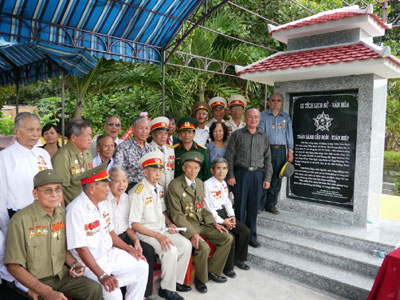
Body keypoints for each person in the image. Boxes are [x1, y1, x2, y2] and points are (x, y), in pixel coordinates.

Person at [5, 169, 102, 300]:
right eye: (48, 190)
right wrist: (45, 291)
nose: (54, 195)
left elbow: (61, 247)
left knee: (93, 289)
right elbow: (13, 266)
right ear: (35, 194)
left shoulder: (61, 213)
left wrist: (74, 264)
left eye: (58, 189)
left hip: (61, 276)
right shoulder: (20, 220)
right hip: (35, 281)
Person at [66, 164, 148, 300]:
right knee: (114, 294)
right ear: (92, 188)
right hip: (91, 264)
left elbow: (111, 233)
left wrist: (130, 250)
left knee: (142, 266)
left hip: (109, 255)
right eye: (105, 186)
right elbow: (81, 249)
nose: (108, 189)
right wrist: (102, 275)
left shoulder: (101, 204)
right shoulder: (76, 210)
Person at [130, 152, 192, 300]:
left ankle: (175, 282)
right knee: (170, 249)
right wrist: (158, 235)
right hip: (146, 232)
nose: (158, 173)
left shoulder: (159, 188)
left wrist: (170, 223)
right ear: (145, 172)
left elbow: (162, 211)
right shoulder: (138, 192)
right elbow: (134, 224)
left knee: (186, 244)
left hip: (161, 229)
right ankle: (166, 289)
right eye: (154, 170)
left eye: (160, 170)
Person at [168, 151, 232, 294]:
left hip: (202, 223)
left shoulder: (199, 183)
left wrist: (214, 222)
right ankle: (200, 280)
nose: (193, 171)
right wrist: (192, 234)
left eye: (196, 168)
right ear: (184, 168)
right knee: (203, 248)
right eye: (190, 167)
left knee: (226, 238)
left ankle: (213, 271)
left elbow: (202, 207)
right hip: (186, 226)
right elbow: (177, 215)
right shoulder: (175, 186)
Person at [104, 165, 156, 299]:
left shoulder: (126, 198)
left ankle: (143, 294)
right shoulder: (103, 200)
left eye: (124, 181)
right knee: (133, 256)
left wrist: (136, 241)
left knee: (148, 250)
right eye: (117, 181)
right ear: (109, 182)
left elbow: (128, 226)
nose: (122, 185)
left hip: (124, 235)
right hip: (111, 240)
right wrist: (129, 249)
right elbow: (110, 233)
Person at [225, 107, 273, 248]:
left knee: (253, 207)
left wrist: (267, 178)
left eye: (256, 117)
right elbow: (229, 156)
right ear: (246, 118)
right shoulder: (237, 135)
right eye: (250, 117)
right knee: (239, 206)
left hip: (257, 175)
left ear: (259, 119)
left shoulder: (263, 136)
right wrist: (231, 175)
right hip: (241, 174)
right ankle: (239, 236)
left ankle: (252, 236)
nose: (253, 119)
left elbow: (267, 159)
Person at [0, 112, 52, 231]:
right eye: (30, 130)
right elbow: (1, 197)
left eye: (38, 130)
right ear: (17, 131)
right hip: (19, 218)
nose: (35, 134)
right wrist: (6, 228)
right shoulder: (4, 157)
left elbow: (52, 184)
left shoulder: (43, 154)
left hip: (46, 215)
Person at [204, 158, 250, 279]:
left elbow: (227, 202)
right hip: (213, 216)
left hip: (225, 214)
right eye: (218, 168)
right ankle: (228, 267)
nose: (221, 171)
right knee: (231, 237)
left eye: (224, 168)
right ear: (212, 170)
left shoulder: (224, 183)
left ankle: (238, 259)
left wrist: (232, 216)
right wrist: (222, 221)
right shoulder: (207, 185)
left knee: (245, 231)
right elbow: (207, 208)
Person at [259, 93, 294, 215]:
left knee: (276, 178)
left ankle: (271, 205)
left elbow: (289, 135)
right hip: (266, 149)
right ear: (269, 102)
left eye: (278, 100)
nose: (275, 103)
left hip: (280, 151)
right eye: (273, 100)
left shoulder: (286, 117)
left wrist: (290, 151)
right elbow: (261, 134)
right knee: (264, 176)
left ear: (282, 103)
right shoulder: (263, 116)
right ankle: (260, 205)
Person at [52, 119, 93, 206]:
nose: (90, 139)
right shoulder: (63, 156)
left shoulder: (87, 153)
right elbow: (58, 189)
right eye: (86, 135)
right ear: (74, 137)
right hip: (71, 208)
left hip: (87, 205)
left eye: (90, 135)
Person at [114, 115, 154, 192]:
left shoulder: (150, 149)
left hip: (147, 189)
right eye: (141, 128)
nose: (144, 131)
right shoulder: (123, 147)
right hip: (128, 189)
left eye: (146, 128)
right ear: (133, 129)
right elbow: (118, 171)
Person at [149, 117, 175, 192]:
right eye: (160, 133)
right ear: (153, 135)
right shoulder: (148, 150)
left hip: (169, 190)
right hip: (154, 190)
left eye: (165, 133)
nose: (163, 136)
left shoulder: (171, 149)